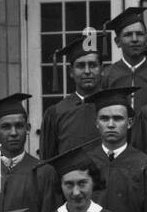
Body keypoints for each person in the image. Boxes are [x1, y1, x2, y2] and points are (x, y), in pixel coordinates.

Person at [83, 86, 147, 212]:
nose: (111, 124)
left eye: (117, 118)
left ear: (130, 122)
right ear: (96, 123)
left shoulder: (146, 165)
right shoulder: (85, 163)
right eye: (104, 118)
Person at [40, 32, 107, 164]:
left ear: (102, 69)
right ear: (71, 72)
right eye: (80, 66)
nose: (87, 71)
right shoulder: (56, 112)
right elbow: (47, 162)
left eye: (93, 65)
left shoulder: (113, 107)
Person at [102, 6, 147, 109]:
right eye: (128, 35)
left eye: (139, 34)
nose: (134, 39)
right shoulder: (107, 75)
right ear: (117, 42)